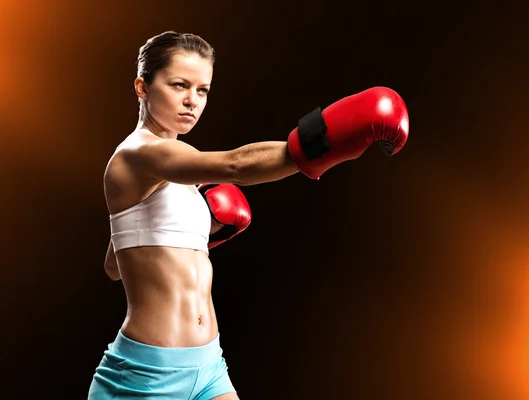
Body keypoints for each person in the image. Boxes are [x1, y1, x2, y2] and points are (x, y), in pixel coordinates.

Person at [88, 31, 409, 400]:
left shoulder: (178, 170)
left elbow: (115, 265)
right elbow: (235, 164)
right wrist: (324, 140)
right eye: (179, 85)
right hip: (148, 376)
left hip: (209, 365)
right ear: (142, 87)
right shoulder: (138, 156)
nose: (192, 101)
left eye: (202, 89)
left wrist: (205, 229)